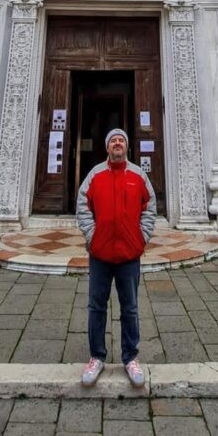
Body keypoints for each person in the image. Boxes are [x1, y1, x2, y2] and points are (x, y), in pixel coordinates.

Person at [76, 128, 156, 387]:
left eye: (121, 140)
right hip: (100, 253)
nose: (118, 144)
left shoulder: (137, 175)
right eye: (113, 141)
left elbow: (149, 205)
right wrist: (92, 235)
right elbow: (82, 205)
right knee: (96, 306)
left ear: (127, 146)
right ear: (107, 147)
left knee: (130, 308)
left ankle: (130, 358)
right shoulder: (95, 174)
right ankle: (96, 357)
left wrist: (141, 237)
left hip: (129, 254)